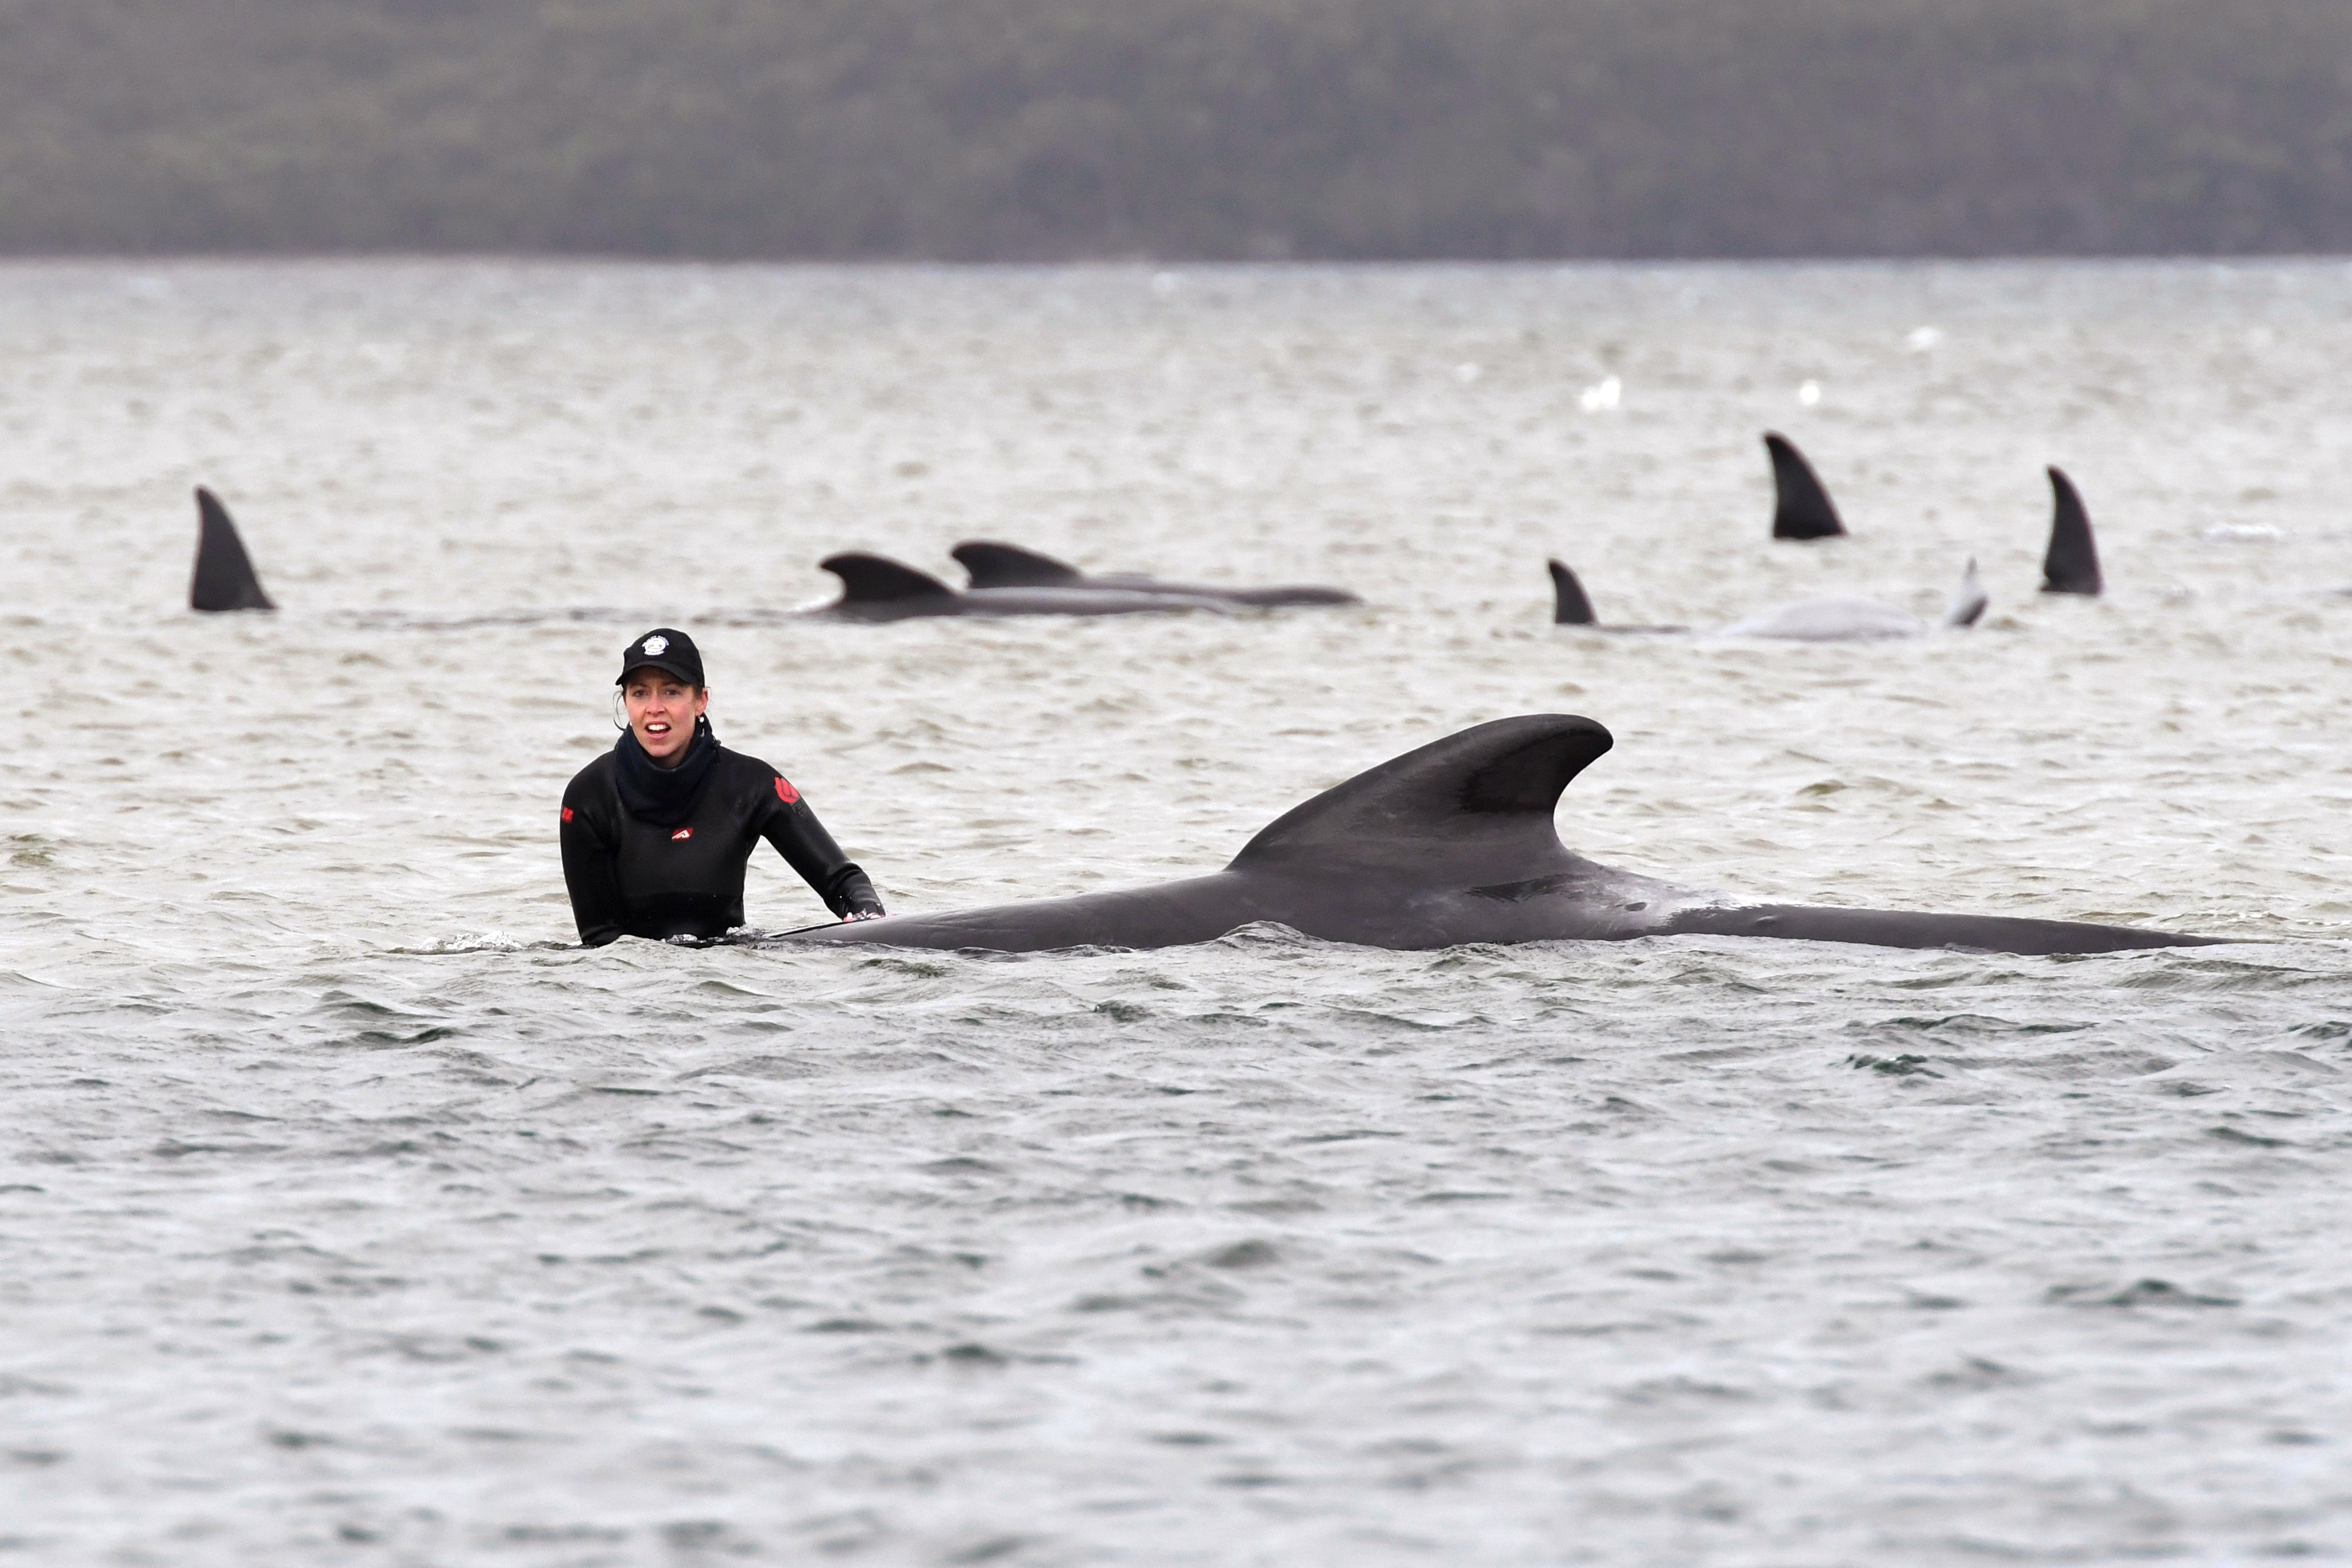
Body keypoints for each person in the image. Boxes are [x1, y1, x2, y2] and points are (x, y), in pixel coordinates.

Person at [560, 628, 886, 945]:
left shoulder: (751, 785)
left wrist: (869, 919)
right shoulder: (589, 797)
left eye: (672, 691)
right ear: (626, 701)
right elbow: (599, 941)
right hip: (632, 990)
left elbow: (843, 882)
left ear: (701, 700)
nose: (654, 708)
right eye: (640, 693)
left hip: (727, 981)